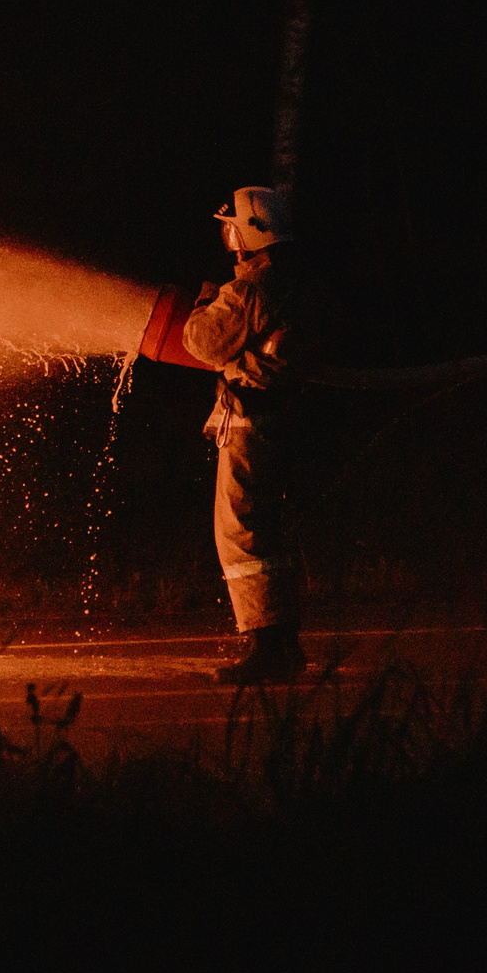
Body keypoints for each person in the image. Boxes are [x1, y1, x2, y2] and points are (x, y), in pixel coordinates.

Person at [182, 186, 316, 684]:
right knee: (266, 531)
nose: (228, 238)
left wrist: (202, 304)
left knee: (241, 532)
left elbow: (203, 342)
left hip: (249, 423)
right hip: (277, 419)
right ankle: (281, 641)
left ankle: (269, 647)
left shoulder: (249, 291)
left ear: (250, 233)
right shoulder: (294, 283)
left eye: (231, 228)